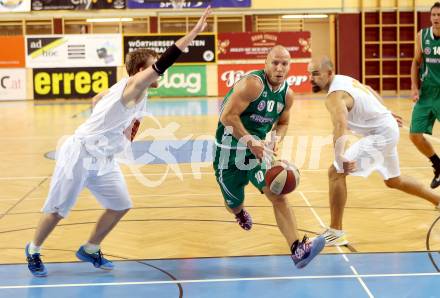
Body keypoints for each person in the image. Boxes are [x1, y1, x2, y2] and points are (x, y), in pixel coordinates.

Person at [25, 7, 212, 277]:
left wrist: (109, 124)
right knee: (57, 211)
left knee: (120, 204)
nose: (159, 71)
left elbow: (96, 99)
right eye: (153, 65)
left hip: (103, 158)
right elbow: (168, 60)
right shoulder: (135, 87)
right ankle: (33, 249)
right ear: (139, 71)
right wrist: (194, 32)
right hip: (79, 153)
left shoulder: (125, 86)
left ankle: (90, 248)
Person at [213, 45, 325, 269]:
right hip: (228, 152)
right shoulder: (252, 85)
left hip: (259, 152)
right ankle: (239, 212)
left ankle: (297, 249)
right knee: (233, 203)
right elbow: (227, 117)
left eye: (285, 64)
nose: (279, 68)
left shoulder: (287, 95)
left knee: (278, 192)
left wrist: (275, 140)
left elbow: (283, 123)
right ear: (266, 63)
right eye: (275, 62)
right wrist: (250, 141)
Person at [309, 57, 440, 246]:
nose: (311, 78)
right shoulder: (344, 79)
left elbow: (340, 125)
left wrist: (340, 157)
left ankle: (335, 232)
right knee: (394, 181)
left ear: (329, 73)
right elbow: (368, 89)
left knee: (335, 171)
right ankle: (438, 199)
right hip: (385, 129)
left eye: (315, 74)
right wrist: (385, 112)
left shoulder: (334, 96)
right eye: (309, 74)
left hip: (381, 134)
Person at [410, 2, 440, 189]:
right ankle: (438, 165)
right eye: (434, 15)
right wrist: (414, 86)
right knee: (414, 135)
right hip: (427, 93)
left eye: (439, 15)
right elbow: (416, 61)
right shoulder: (422, 36)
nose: (436, 18)